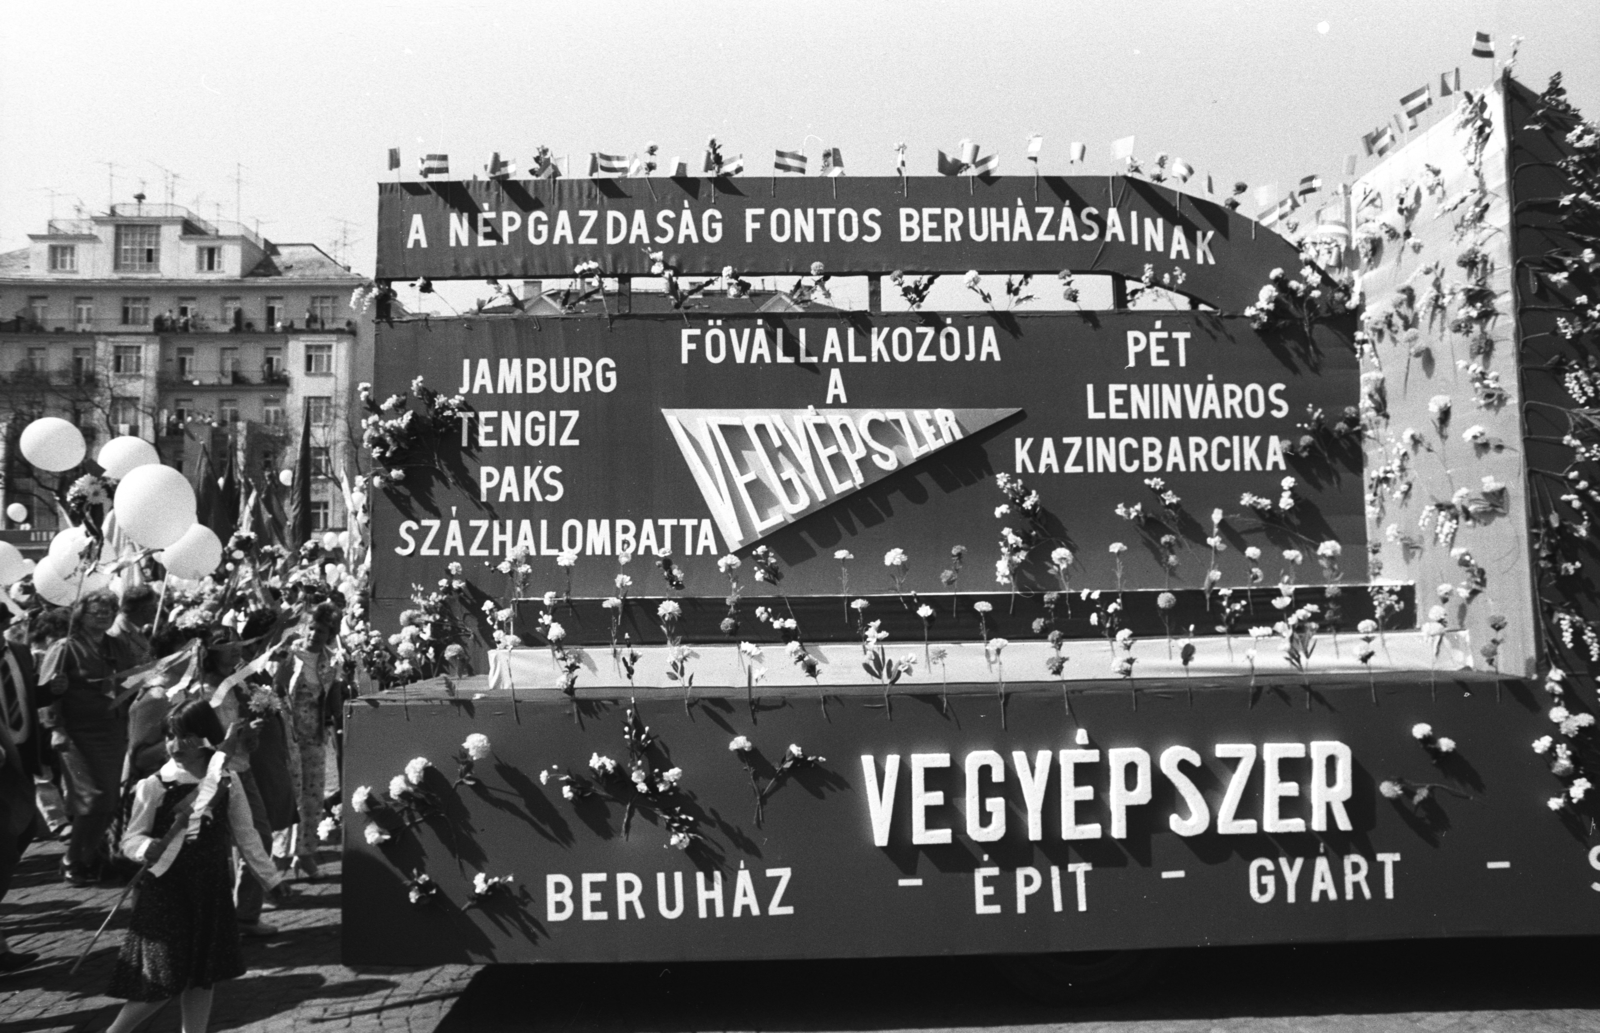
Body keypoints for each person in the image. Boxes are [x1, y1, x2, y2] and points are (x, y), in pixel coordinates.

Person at [105, 698, 282, 1033]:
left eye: (183, 736)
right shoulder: (156, 785)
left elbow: (246, 834)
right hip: (168, 894)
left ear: (205, 738)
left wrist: (270, 878)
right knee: (163, 978)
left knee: (202, 978)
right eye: (169, 736)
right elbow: (131, 838)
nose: (174, 745)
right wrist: (145, 847)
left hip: (209, 890)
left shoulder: (227, 780)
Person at [41, 590, 140, 884]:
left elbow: (133, 675)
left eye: (108, 613)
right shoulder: (64, 648)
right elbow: (48, 693)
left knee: (110, 801)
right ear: (80, 615)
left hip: (112, 732)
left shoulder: (117, 645)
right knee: (91, 799)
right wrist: (55, 728)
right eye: (96, 612)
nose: (102, 617)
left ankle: (90, 858)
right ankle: (72, 859)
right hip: (76, 735)